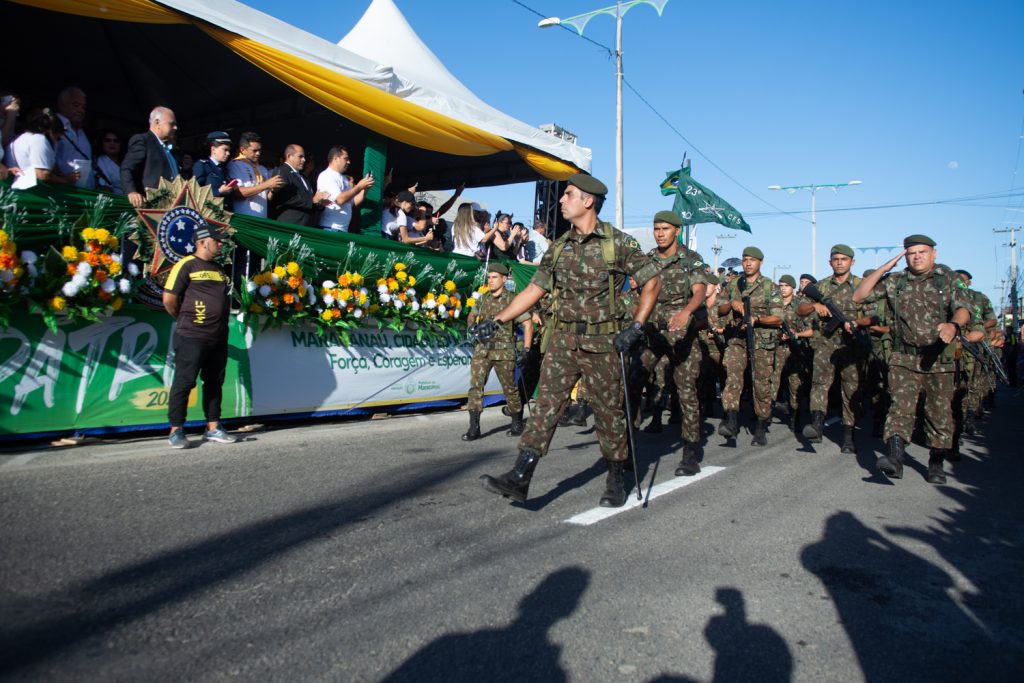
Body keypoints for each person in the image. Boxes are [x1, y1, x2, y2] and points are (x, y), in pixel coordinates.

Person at [475, 173, 662, 508]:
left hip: (604, 343)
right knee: (547, 405)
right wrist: (497, 320)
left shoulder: (618, 243)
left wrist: (635, 327)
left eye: (569, 195)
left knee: (608, 412)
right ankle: (521, 475)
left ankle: (616, 477)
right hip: (563, 340)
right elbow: (534, 289)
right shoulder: (559, 247)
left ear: (588, 201)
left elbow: (652, 282)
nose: (561, 200)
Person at [852, 235, 970, 484]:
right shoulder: (895, 281)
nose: (917, 256)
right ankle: (895, 459)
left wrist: (953, 325)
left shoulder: (947, 279)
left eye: (922, 252)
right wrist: (885, 268)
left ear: (934, 254)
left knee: (938, 414)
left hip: (938, 358)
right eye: (911, 253)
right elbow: (859, 296)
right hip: (903, 357)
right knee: (899, 409)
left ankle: (936, 462)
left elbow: (963, 308)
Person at [630, 210, 708, 475]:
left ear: (677, 231)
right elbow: (632, 288)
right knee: (632, 381)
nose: (660, 233)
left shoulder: (690, 260)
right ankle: (627, 447)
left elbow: (699, 292)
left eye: (665, 229)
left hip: (680, 334)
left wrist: (686, 312)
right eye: (656, 229)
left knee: (686, 391)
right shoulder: (648, 260)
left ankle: (689, 451)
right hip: (651, 332)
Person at [162, 224, 238, 449]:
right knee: (185, 382)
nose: (221, 244)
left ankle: (213, 427)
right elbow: (169, 299)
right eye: (217, 240)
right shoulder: (186, 264)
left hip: (218, 336)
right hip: (191, 335)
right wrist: (187, 319)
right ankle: (176, 430)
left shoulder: (219, 269)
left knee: (215, 382)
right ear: (203, 241)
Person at [797, 244, 867, 452]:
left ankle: (848, 434)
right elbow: (800, 309)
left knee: (850, 389)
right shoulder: (821, 287)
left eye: (844, 259)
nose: (839, 262)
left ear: (852, 262)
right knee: (819, 384)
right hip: (826, 343)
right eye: (835, 259)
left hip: (851, 345)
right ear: (829, 262)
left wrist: (856, 323)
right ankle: (817, 424)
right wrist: (814, 306)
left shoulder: (861, 286)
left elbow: (873, 315)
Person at [717, 247, 783, 446]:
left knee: (761, 385)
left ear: (760, 262)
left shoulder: (769, 287)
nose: (747, 263)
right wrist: (732, 303)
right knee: (732, 377)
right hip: (737, 339)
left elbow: (778, 318)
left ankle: (761, 427)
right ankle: (731, 422)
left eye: (752, 260)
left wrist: (757, 319)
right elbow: (720, 309)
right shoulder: (733, 284)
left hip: (762, 342)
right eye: (745, 259)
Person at [463, 263, 534, 441]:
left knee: (510, 389)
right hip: (483, 350)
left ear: (504, 279)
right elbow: (472, 314)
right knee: (475, 387)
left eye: (495, 277)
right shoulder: (483, 298)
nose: (491, 281)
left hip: (504, 351)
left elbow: (527, 325)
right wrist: (472, 325)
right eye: (489, 277)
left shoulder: (512, 300)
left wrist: (526, 349)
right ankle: (474, 427)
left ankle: (517, 421)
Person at [772, 275, 813, 432]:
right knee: (772, 381)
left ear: (793, 288)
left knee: (795, 384)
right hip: (776, 348)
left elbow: (811, 330)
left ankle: (795, 416)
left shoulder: (799, 306)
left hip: (794, 350)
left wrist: (796, 334)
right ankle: (765, 415)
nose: (783, 288)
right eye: (781, 285)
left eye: (786, 285)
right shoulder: (775, 306)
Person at [121, 106, 179, 208]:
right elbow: (127, 168)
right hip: (151, 206)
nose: (175, 128)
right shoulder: (143, 140)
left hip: (171, 207)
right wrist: (131, 192)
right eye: (171, 124)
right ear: (157, 123)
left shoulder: (168, 149)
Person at [6, 108, 80, 185]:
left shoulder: (20, 138)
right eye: (57, 138)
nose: (56, 142)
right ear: (50, 131)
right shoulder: (39, 139)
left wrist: (62, 175)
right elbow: (42, 174)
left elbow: (50, 165)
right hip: (31, 193)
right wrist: (66, 180)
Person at [227, 132, 284, 219]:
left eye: (259, 150)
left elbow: (266, 198)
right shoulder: (235, 165)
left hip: (262, 219)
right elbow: (238, 193)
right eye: (254, 151)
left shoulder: (262, 169)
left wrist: (273, 190)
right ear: (243, 150)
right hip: (244, 220)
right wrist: (266, 185)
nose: (258, 153)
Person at [269, 144, 328, 227]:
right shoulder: (282, 171)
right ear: (289, 156)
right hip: (289, 225)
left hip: (304, 226)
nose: (304, 160)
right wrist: (312, 201)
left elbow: (308, 200)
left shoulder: (303, 177)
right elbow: (285, 196)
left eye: (304, 157)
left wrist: (319, 203)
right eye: (300, 157)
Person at [316, 145, 373, 232]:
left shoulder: (344, 178)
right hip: (329, 227)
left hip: (343, 229)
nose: (349, 162)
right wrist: (359, 187)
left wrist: (365, 189)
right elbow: (340, 199)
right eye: (346, 159)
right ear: (335, 159)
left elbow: (353, 202)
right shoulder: (326, 175)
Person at [54, 86, 94, 188]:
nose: (80, 110)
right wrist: (63, 179)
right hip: (63, 190)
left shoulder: (82, 132)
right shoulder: (53, 126)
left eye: (83, 107)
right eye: (76, 105)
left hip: (86, 192)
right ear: (62, 105)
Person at [192, 131, 235, 207]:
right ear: (213, 149)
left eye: (228, 150)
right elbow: (195, 191)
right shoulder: (202, 165)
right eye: (225, 150)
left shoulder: (224, 168)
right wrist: (218, 191)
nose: (228, 153)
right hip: (208, 213)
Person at [94, 129, 124, 194]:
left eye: (116, 141)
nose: (112, 143)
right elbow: (104, 188)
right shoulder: (100, 161)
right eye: (107, 140)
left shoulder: (126, 163)